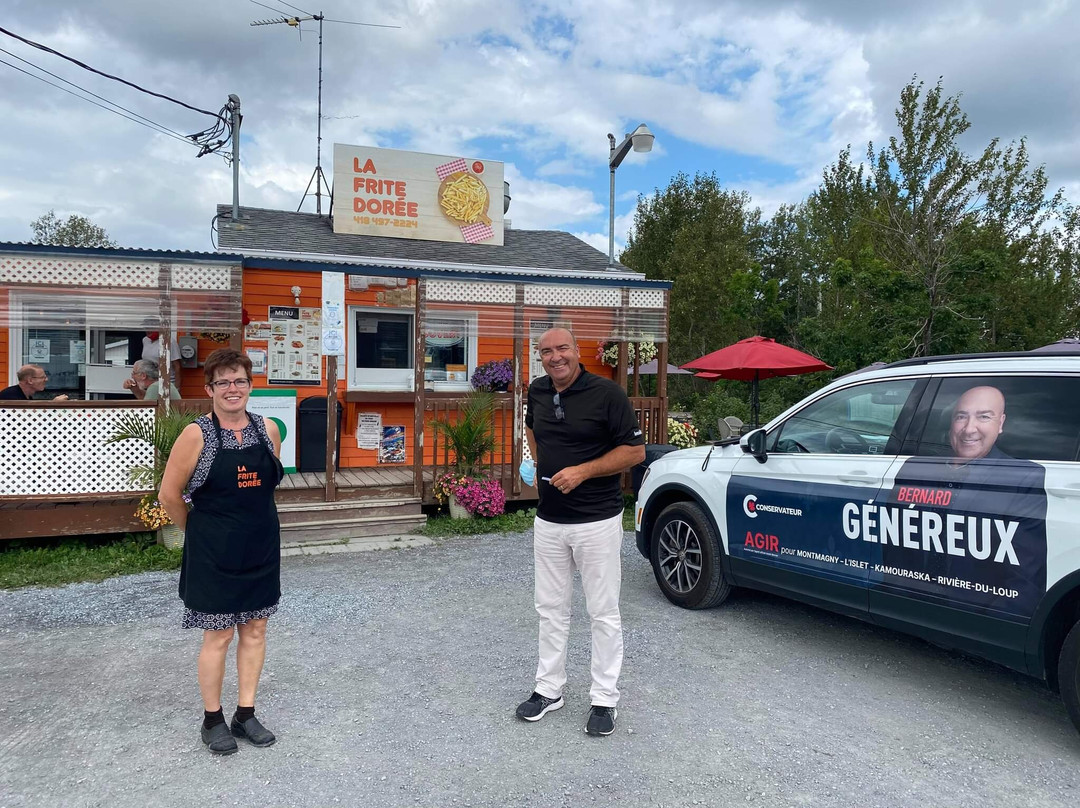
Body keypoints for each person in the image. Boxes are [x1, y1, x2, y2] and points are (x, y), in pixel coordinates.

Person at [516, 328, 645, 737]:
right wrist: (540, 466)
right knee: (550, 610)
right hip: (549, 521)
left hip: (597, 522)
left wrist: (583, 471)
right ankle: (549, 689)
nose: (555, 357)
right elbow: (533, 428)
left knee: (602, 612)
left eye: (562, 349)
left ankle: (605, 699)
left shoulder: (608, 395)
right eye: (546, 352)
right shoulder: (537, 391)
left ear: (577, 351)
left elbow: (635, 451)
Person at [159, 348, 283, 756]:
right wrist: (196, 532)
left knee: (256, 629)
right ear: (210, 388)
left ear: (250, 385)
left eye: (240, 381)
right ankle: (212, 719)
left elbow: (267, 485)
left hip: (261, 545)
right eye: (224, 382)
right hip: (213, 549)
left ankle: (244, 713)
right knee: (218, 635)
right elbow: (169, 495)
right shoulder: (197, 434)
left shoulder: (268, 430)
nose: (233, 389)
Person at [883, 384, 1047, 617]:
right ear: (951, 422)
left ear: (1000, 423)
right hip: (910, 607)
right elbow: (894, 546)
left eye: (984, 417)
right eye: (961, 416)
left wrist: (985, 628)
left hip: (975, 616)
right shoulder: (915, 469)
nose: (969, 429)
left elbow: (1026, 578)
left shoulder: (1023, 478)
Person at [0, 365, 69, 401]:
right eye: (42, 377)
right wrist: (53, 405)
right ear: (30, 381)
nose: (46, 379)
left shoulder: (26, 395)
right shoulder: (10, 396)